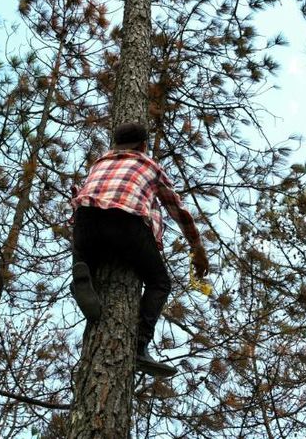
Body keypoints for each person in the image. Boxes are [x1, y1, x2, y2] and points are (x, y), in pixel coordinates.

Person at [70, 122, 209, 375]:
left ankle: (83, 271)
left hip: (85, 219)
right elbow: (176, 209)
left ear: (115, 145)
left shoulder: (98, 163)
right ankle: (139, 347)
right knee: (159, 282)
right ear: (144, 146)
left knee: (85, 250)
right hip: (124, 222)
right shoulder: (149, 165)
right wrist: (197, 247)